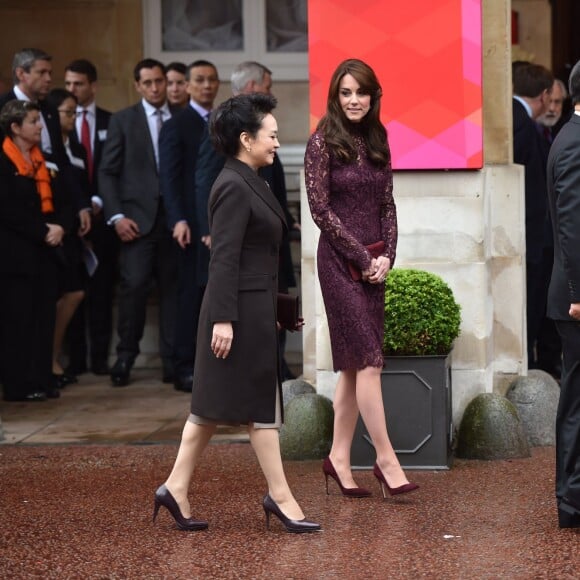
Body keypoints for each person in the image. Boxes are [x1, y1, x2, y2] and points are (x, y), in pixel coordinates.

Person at [153, 93, 320, 534]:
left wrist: (282, 309)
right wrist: (224, 319)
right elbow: (223, 258)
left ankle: (175, 487)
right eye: (272, 135)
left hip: (254, 310)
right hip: (236, 315)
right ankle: (280, 497)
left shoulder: (252, 180)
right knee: (258, 408)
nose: (278, 144)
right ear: (246, 139)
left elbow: (259, 256)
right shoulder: (231, 184)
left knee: (210, 408)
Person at [304, 59, 418, 498]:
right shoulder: (322, 143)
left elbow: (387, 204)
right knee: (370, 360)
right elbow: (320, 210)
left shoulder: (378, 138)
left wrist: (387, 254)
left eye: (361, 93)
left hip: (375, 264)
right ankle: (387, 460)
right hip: (338, 264)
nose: (354, 100)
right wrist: (359, 255)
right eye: (346, 92)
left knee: (354, 368)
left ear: (373, 97)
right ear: (335, 96)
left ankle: (337, 457)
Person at [99, 59, 178, 387]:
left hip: (175, 223)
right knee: (133, 289)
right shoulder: (123, 120)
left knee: (175, 292)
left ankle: (174, 362)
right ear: (138, 85)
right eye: (148, 83)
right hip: (136, 221)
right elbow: (107, 171)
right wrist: (116, 216)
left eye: (160, 81)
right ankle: (125, 356)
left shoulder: (182, 117)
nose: (156, 88)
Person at [231, 60, 301, 380]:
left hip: (275, 235)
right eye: (268, 86)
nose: (275, 144)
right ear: (252, 88)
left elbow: (270, 179)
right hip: (254, 240)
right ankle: (267, 368)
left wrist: (288, 218)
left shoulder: (263, 123)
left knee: (280, 300)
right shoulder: (228, 126)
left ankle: (277, 365)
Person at [159, 60, 220, 393]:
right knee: (189, 296)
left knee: (212, 295)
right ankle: (183, 365)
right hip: (189, 228)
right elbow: (169, 178)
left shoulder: (222, 121)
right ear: (187, 85)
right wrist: (178, 219)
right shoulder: (177, 124)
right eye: (199, 80)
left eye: (212, 80)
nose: (207, 85)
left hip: (216, 224)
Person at [0, 100, 64, 401]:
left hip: (44, 254)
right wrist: (42, 231)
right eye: (33, 121)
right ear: (15, 127)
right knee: (18, 322)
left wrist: (58, 226)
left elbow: (58, 198)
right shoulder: (3, 161)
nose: (40, 126)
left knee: (43, 319)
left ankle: (43, 378)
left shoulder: (43, 159)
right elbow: (8, 210)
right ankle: (18, 384)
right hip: (14, 257)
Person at [64, 58, 116, 376]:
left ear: (93, 86)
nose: (72, 90)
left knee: (102, 290)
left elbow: (112, 168)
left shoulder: (113, 121)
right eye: (68, 84)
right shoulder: (57, 124)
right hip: (72, 221)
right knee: (73, 290)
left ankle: (99, 359)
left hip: (105, 219)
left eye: (78, 84)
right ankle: (75, 360)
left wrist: (98, 200)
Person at [546, 59, 580, 529]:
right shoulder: (573, 144)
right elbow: (573, 228)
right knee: (575, 401)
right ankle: (572, 502)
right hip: (576, 299)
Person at [45, 88, 92, 389]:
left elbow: (81, 187)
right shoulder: (45, 150)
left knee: (75, 293)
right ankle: (49, 358)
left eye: (76, 113)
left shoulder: (74, 146)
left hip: (74, 230)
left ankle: (53, 354)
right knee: (58, 295)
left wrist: (86, 206)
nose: (73, 118)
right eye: (67, 113)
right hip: (52, 231)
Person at [512, 62, 554, 370]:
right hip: (528, 239)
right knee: (527, 310)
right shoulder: (523, 126)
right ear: (544, 95)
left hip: (522, 237)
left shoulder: (513, 120)